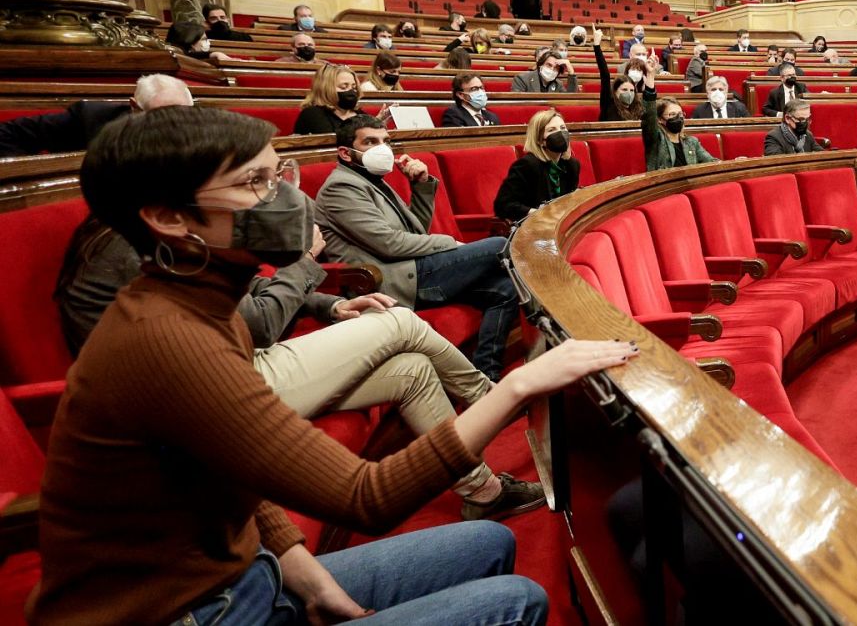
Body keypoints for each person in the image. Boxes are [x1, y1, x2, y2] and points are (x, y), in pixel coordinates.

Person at [35, 105, 634, 624]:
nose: (288, 201)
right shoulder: (168, 339)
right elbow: (365, 497)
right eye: (255, 185)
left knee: (486, 542)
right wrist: (519, 385)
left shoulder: (197, 301)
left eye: (280, 177)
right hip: (192, 613)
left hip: (250, 578)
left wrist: (309, 578)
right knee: (517, 600)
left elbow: (234, 473)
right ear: (170, 218)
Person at [54, 214, 544, 523]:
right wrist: (308, 259)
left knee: (413, 368)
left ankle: (481, 489)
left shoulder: (157, 227)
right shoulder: (140, 247)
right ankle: (502, 402)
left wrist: (329, 306)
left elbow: (252, 296)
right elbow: (261, 321)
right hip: (214, 387)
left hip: (234, 358)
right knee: (398, 321)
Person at [318, 116, 520, 378]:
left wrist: (421, 186)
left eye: (386, 141)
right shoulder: (341, 187)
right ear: (346, 153)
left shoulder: (371, 181)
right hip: (390, 281)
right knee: (499, 245)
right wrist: (450, 243)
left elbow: (414, 234)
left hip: (413, 269)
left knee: (505, 289)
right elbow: (389, 244)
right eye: (370, 142)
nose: (383, 148)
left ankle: (486, 375)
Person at [0, 73, 192, 158]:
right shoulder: (90, 119)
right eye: (159, 115)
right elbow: (7, 134)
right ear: (134, 107)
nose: (173, 124)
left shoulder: (204, 127)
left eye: (182, 114)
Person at [494, 109, 581, 221]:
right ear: (540, 140)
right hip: (531, 227)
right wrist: (536, 213)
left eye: (563, 128)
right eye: (552, 130)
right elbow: (503, 205)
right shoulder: (527, 165)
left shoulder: (572, 165)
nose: (560, 133)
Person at [641, 71, 718, 171]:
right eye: (672, 114)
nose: (678, 118)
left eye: (680, 114)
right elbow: (649, 117)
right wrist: (650, 84)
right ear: (660, 119)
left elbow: (712, 162)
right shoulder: (656, 140)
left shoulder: (691, 142)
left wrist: (734, 163)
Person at [293, 64, 363, 136]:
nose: (351, 91)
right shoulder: (313, 113)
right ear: (325, 89)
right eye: (343, 87)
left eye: (354, 88)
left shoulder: (359, 113)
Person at [595, 29, 647, 121]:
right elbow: (605, 76)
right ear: (615, 91)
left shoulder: (637, 107)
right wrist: (596, 46)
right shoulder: (609, 103)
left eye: (631, 90)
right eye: (624, 89)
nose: (629, 93)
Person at [511, 49, 578, 93]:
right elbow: (518, 105)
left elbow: (569, 100)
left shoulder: (558, 84)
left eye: (556, 68)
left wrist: (571, 71)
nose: (552, 69)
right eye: (549, 65)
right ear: (540, 65)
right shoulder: (522, 79)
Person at [166, 18, 233, 62]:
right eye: (204, 39)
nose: (208, 42)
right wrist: (212, 54)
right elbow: (186, 55)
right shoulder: (173, 57)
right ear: (191, 43)